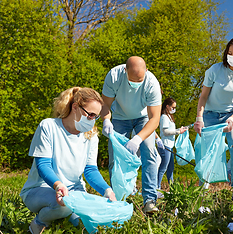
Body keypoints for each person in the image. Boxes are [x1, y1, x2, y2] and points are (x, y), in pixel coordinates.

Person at [20, 87, 116, 234]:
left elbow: (90, 170)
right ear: (75, 107)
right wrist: (58, 185)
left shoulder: (91, 136)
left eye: (95, 116)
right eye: (89, 114)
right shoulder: (49, 126)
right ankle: (38, 224)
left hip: (74, 191)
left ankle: (60, 218)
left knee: (88, 224)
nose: (92, 120)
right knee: (65, 205)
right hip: (41, 189)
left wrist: (107, 190)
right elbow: (43, 164)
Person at [193, 37, 233, 204]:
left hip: (230, 116)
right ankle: (202, 190)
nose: (231, 56)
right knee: (207, 152)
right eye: (229, 53)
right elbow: (203, 97)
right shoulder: (214, 70)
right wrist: (199, 118)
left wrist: (232, 119)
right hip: (210, 115)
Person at [100, 56, 162, 214]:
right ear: (125, 71)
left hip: (144, 118)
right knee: (115, 156)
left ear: (146, 71)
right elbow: (105, 104)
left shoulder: (152, 83)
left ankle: (149, 200)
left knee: (149, 152)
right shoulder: (114, 76)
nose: (136, 83)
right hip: (120, 117)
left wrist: (137, 138)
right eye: (133, 79)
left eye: (140, 79)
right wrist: (106, 121)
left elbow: (155, 119)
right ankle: (117, 200)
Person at [157, 97, 187, 190]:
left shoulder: (169, 117)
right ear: (167, 106)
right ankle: (156, 187)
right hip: (165, 145)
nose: (174, 109)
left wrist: (180, 129)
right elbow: (165, 132)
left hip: (170, 145)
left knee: (171, 168)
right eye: (172, 107)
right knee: (163, 168)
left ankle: (173, 188)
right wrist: (178, 132)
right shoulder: (164, 117)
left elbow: (171, 130)